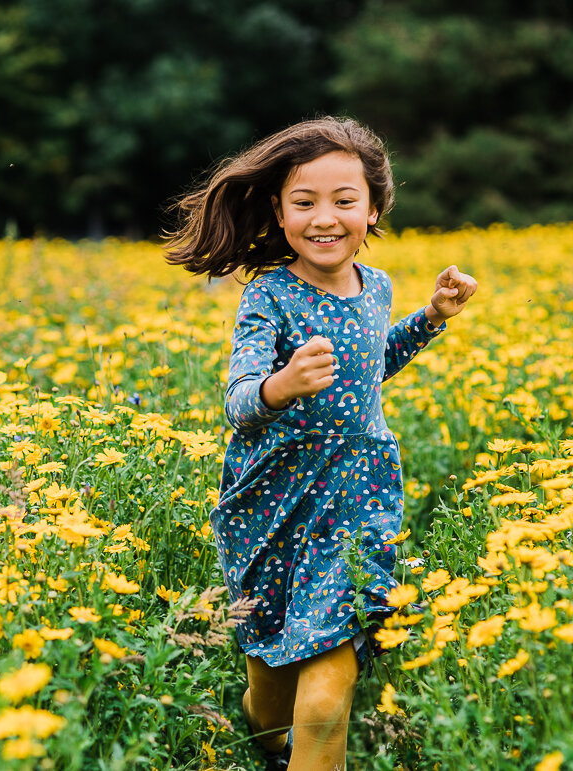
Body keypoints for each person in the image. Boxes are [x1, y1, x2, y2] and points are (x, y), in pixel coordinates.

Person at [165, 116, 477, 770]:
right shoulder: (270, 297)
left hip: (359, 499)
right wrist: (282, 384)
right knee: (272, 696)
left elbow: (371, 364)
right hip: (272, 506)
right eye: (304, 202)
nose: (324, 217)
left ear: (373, 208)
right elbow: (238, 400)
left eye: (344, 200)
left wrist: (431, 319)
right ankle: (266, 743)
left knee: (325, 696)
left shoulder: (379, 287)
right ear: (278, 213)